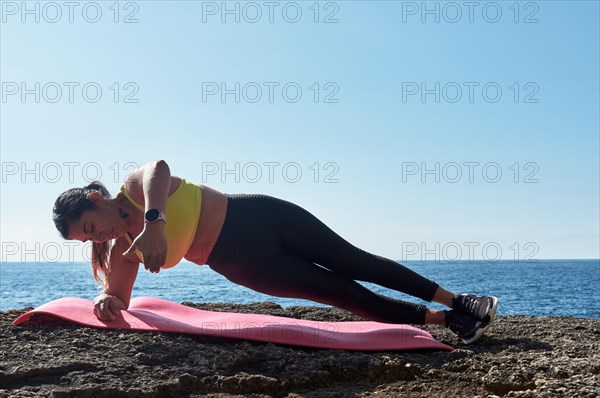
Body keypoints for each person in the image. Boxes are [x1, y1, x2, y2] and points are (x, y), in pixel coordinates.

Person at [52, 160, 498, 344]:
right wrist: (105, 300)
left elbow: (159, 169)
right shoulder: (123, 254)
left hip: (259, 217)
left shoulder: (135, 188)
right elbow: (119, 300)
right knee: (342, 295)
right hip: (242, 264)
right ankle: (448, 321)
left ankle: (459, 299)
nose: (97, 237)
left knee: (354, 261)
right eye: (87, 240)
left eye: (91, 226)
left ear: (97, 199)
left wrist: (154, 222)